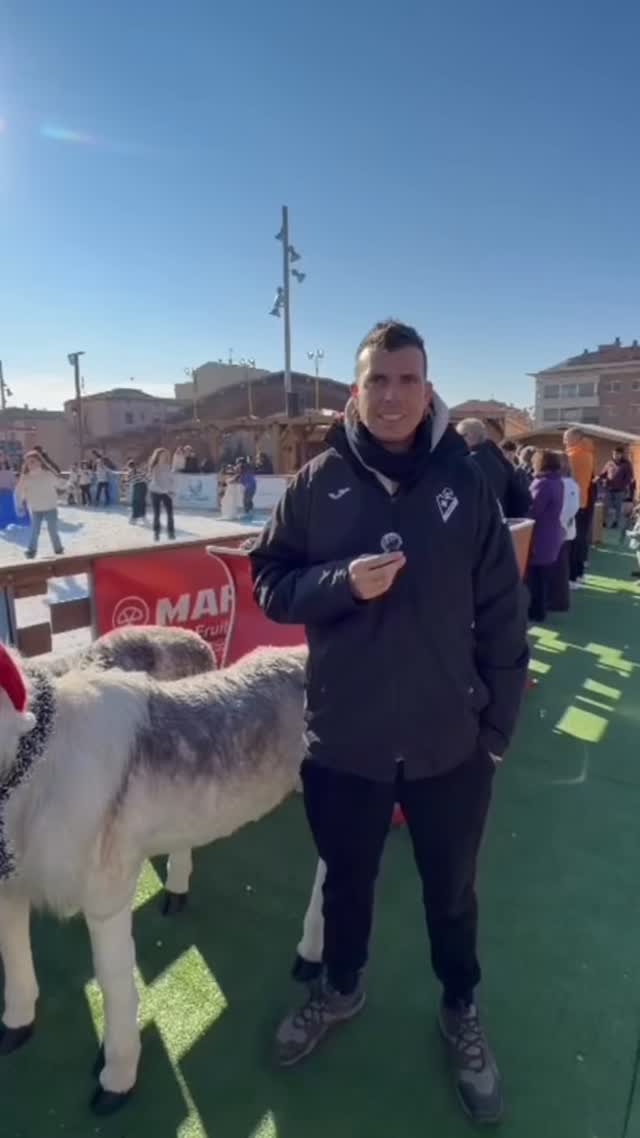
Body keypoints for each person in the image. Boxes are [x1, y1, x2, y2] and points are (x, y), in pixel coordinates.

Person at [249, 320, 528, 1124]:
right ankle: (340, 987)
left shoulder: (466, 484)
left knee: (452, 892)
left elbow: (503, 617)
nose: (393, 395)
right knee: (346, 883)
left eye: (408, 380)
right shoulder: (317, 483)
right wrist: (340, 582)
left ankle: (460, 1006)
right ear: (356, 390)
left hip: (450, 744)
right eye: (379, 380)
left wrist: (496, 733)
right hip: (347, 740)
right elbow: (269, 579)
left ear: (428, 390)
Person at [456, 419, 531, 518]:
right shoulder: (499, 458)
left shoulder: (470, 463)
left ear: (469, 435)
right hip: (501, 520)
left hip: (481, 522)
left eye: (459, 436)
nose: (457, 441)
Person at [526, 450, 565, 622]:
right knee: (542, 577)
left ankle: (536, 613)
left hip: (539, 536)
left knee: (535, 578)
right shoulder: (558, 482)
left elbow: (532, 510)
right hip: (551, 534)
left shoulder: (542, 484)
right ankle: (540, 611)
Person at [16, 451, 65, 560]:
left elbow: (59, 484)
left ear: (39, 462)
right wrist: (20, 504)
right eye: (27, 463)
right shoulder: (26, 478)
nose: (30, 464)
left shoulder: (48, 474)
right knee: (35, 530)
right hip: (36, 509)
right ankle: (31, 550)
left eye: (32, 461)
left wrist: (67, 484)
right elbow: (20, 491)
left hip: (50, 507)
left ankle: (58, 549)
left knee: (52, 530)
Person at [548, 453, 580, 611]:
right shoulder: (567, 483)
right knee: (559, 567)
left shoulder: (567, 483)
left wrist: (560, 526)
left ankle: (558, 602)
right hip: (561, 530)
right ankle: (557, 601)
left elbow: (570, 508)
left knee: (559, 568)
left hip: (560, 531)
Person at [563, 428, 594, 586]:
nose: (564, 442)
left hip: (573, 502)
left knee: (572, 541)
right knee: (580, 539)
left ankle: (572, 577)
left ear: (576, 438)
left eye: (566, 438)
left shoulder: (573, 456)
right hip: (583, 501)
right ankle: (579, 574)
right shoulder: (588, 454)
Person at [599, 445, 634, 529]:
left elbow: (629, 478)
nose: (615, 455)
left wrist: (623, 485)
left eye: (617, 454)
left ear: (621, 455)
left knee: (618, 507)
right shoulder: (609, 463)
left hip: (619, 490)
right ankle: (604, 522)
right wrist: (601, 479)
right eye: (614, 454)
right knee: (606, 506)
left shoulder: (626, 465)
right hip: (608, 488)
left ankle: (616, 522)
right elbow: (603, 474)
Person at [148, 447, 175, 541]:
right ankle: (156, 532)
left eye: (165, 455)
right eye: (162, 455)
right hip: (155, 491)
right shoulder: (155, 467)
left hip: (166, 492)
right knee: (157, 513)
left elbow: (171, 480)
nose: (164, 457)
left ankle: (171, 532)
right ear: (158, 456)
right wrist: (166, 491)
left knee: (170, 513)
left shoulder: (168, 466)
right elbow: (155, 482)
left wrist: (171, 490)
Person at [126, 459, 148, 524]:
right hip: (144, 486)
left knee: (135, 502)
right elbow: (146, 477)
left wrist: (126, 486)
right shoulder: (140, 470)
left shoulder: (130, 472)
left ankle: (134, 518)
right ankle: (143, 516)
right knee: (142, 502)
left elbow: (128, 481)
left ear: (129, 466)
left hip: (137, 486)